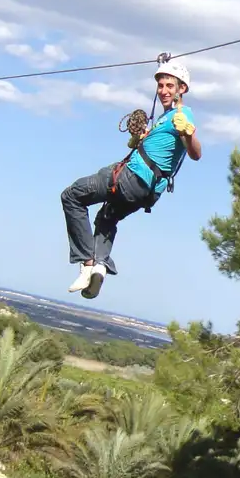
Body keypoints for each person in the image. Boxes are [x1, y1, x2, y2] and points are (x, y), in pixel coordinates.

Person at [60, 58, 201, 299]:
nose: (163, 91)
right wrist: (143, 138)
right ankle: (100, 267)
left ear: (182, 89)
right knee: (106, 218)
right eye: (160, 86)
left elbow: (195, 153)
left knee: (72, 196)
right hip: (146, 192)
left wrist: (188, 133)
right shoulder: (165, 119)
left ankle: (86, 262)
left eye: (170, 86)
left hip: (130, 178)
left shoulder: (183, 116)